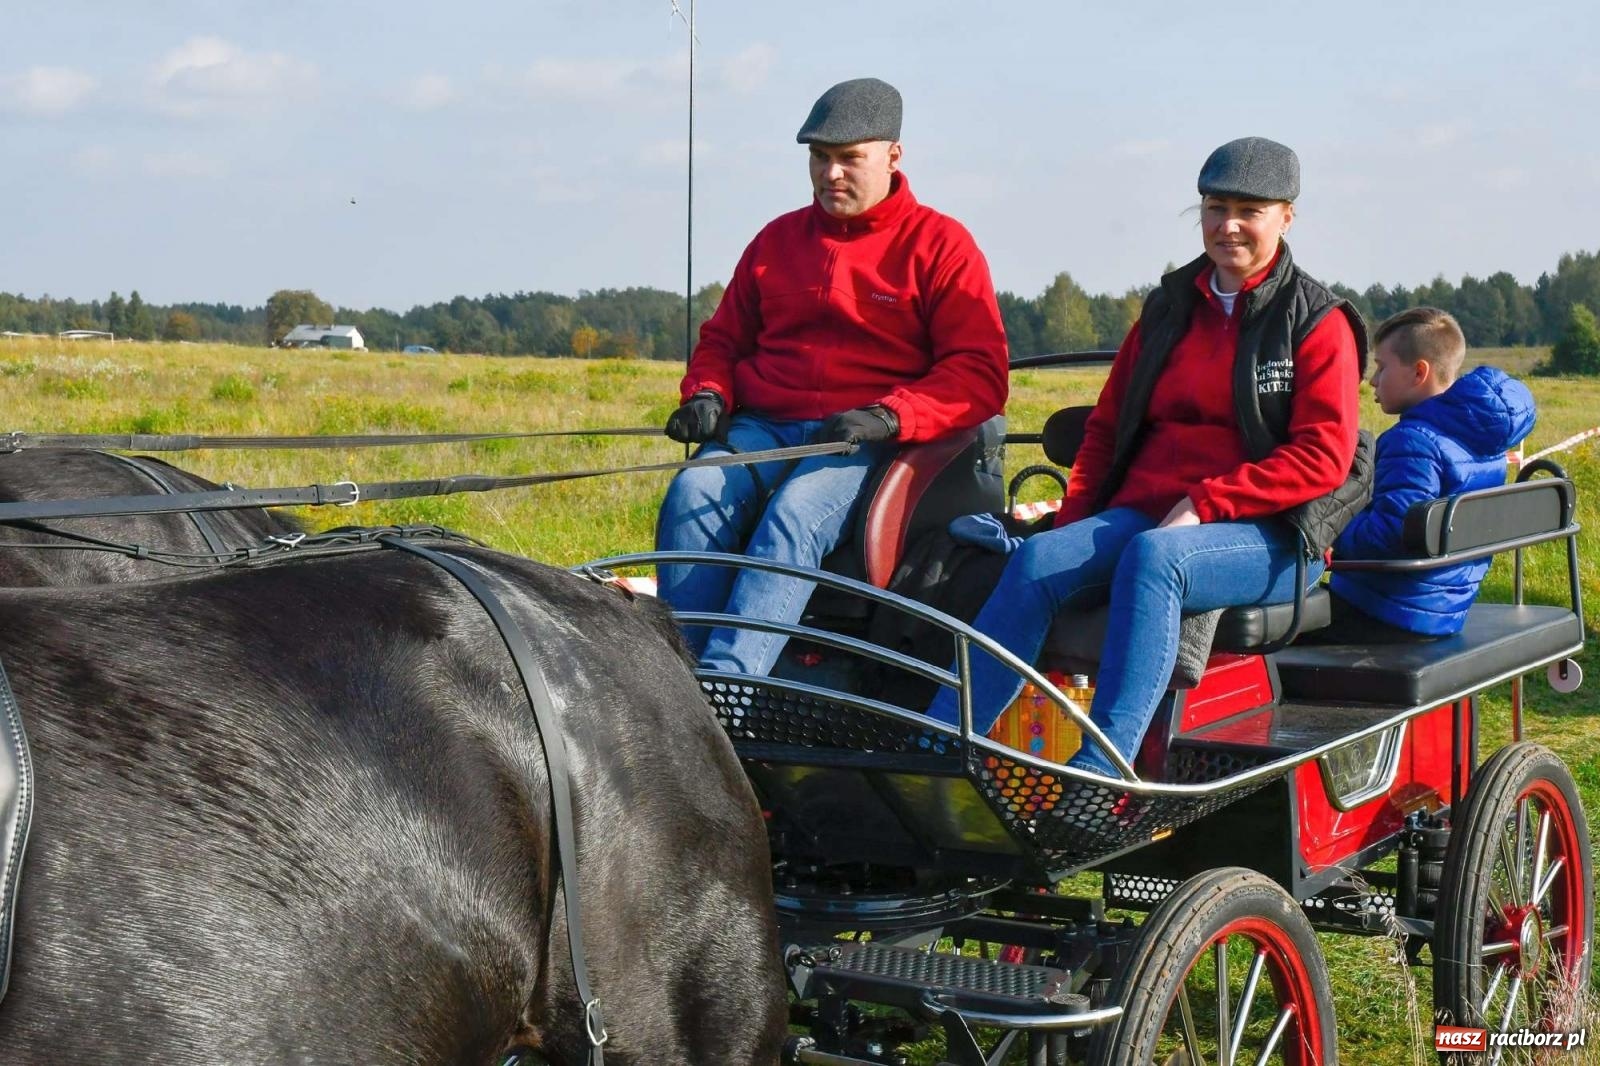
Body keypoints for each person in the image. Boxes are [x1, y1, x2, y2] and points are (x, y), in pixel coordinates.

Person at [928, 136, 1370, 778]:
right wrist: (1074, 520)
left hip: (1272, 534)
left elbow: (1323, 458)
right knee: (1036, 563)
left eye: (1250, 209)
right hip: (1150, 512)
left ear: (1286, 216)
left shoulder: (1316, 322)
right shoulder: (1168, 309)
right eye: (1216, 207)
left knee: (1155, 559)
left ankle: (1106, 764)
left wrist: (1206, 503)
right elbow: (1107, 428)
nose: (1229, 225)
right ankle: (942, 742)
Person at [655, 77, 1009, 677]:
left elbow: (978, 374)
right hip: (764, 426)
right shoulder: (775, 240)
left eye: (849, 158)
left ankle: (728, 690)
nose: (831, 174)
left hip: (864, 439)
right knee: (693, 493)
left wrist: (893, 415)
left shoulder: (943, 246)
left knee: (794, 516)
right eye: (820, 159)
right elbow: (723, 339)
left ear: (893, 156)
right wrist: (708, 392)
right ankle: (678, 683)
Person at [1321, 308, 1536, 640]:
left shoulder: (1412, 441)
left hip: (1385, 609)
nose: (1373, 380)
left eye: (1381, 367)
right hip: (1445, 609)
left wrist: (1328, 530)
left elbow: (1386, 535)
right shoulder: (1484, 443)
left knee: (1263, 635)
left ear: (1419, 372)